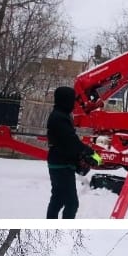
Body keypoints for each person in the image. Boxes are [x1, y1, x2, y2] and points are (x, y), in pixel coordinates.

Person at [46, 86, 101, 219]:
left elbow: (68, 143)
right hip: (61, 165)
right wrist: (91, 154)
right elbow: (72, 142)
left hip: (60, 163)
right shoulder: (59, 118)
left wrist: (80, 158)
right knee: (71, 203)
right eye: (71, 100)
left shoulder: (61, 115)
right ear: (65, 100)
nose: (73, 104)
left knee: (58, 199)